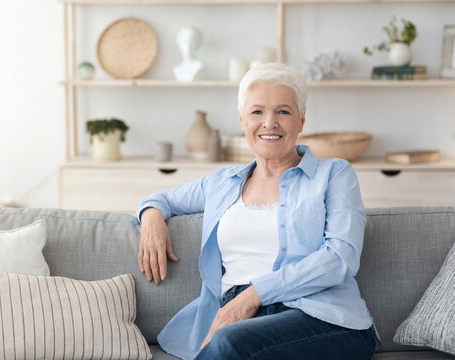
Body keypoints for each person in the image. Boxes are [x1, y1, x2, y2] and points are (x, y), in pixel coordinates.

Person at [136, 62, 382, 360]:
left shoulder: (334, 175)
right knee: (231, 341)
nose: (269, 123)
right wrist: (151, 218)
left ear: (301, 120)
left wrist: (254, 294)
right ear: (242, 120)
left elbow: (341, 258)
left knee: (228, 343)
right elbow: (161, 198)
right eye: (257, 112)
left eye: (283, 111)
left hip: (321, 318)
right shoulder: (221, 182)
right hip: (241, 319)